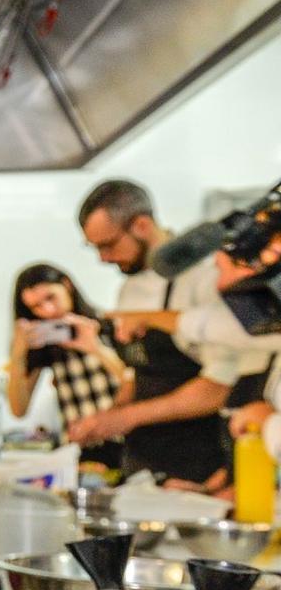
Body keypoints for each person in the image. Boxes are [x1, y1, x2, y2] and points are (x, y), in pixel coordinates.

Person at [71, 180, 256, 485]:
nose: (103, 258)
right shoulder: (129, 288)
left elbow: (218, 387)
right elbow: (137, 370)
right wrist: (108, 416)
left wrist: (126, 417)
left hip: (199, 464)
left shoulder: (205, 276)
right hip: (142, 462)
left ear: (142, 225)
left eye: (108, 244)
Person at [4, 263, 129, 471]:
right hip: (80, 455)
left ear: (67, 285)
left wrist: (95, 348)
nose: (48, 311)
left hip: (126, 445)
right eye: (36, 307)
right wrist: (17, 355)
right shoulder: (47, 349)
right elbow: (19, 409)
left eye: (51, 297)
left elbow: (135, 382)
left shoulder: (109, 327)